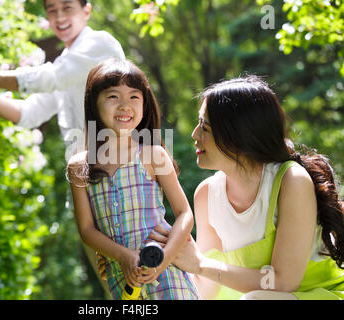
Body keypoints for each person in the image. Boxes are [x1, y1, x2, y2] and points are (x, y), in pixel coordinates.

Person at [145, 75, 344, 300]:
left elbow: (283, 282)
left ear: (238, 135)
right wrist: (154, 270)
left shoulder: (291, 180)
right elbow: (206, 289)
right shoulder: (206, 194)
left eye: (204, 127)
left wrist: (200, 264)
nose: (194, 135)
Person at [66, 58, 200, 300]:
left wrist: (166, 257)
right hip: (122, 278)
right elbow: (86, 230)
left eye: (134, 97)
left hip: (167, 273)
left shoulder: (152, 154)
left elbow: (185, 214)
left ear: (145, 104)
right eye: (113, 96)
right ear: (94, 104)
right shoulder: (79, 166)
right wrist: (122, 256)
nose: (124, 105)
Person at [0, 0, 125, 161]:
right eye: (52, 10)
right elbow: (30, 112)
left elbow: (51, 77)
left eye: (67, 8)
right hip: (84, 172)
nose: (59, 17)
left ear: (86, 11)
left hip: (118, 165)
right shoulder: (67, 61)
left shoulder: (99, 43)